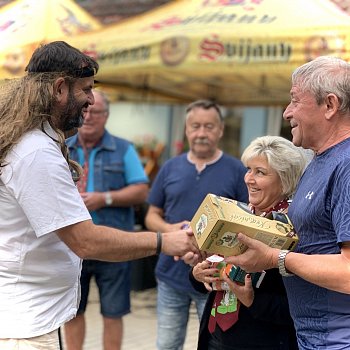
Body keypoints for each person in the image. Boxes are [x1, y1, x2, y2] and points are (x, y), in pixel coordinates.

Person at [0, 41, 200, 350]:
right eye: (86, 90)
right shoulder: (36, 151)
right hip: (25, 327)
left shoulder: (33, 142)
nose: (91, 101)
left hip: (27, 319)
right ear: (59, 89)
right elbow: (86, 241)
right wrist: (163, 241)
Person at [225, 56, 350, 349]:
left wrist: (273, 258)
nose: (286, 112)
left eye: (294, 100)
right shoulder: (320, 160)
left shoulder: (346, 164)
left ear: (330, 105)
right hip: (311, 337)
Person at [145, 99, 249, 349]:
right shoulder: (171, 167)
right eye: (195, 126)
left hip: (217, 278)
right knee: (167, 344)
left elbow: (248, 220)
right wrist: (174, 231)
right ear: (186, 129)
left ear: (221, 130)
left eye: (209, 126)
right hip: (171, 275)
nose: (202, 133)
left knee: (214, 344)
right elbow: (151, 216)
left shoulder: (237, 170)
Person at [190, 135, 307, 350]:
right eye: (248, 169)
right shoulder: (238, 215)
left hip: (260, 341)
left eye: (260, 172)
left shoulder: (294, 228)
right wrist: (198, 275)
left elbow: (301, 307)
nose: (248, 179)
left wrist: (253, 300)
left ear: (285, 179)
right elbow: (213, 280)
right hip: (215, 336)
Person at [63, 90, 148, 350]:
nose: (88, 116)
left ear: (107, 116)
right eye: (85, 110)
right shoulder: (62, 145)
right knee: (72, 312)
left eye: (96, 112)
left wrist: (104, 198)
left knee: (113, 311)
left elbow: (141, 190)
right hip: (72, 244)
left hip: (113, 245)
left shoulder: (123, 148)